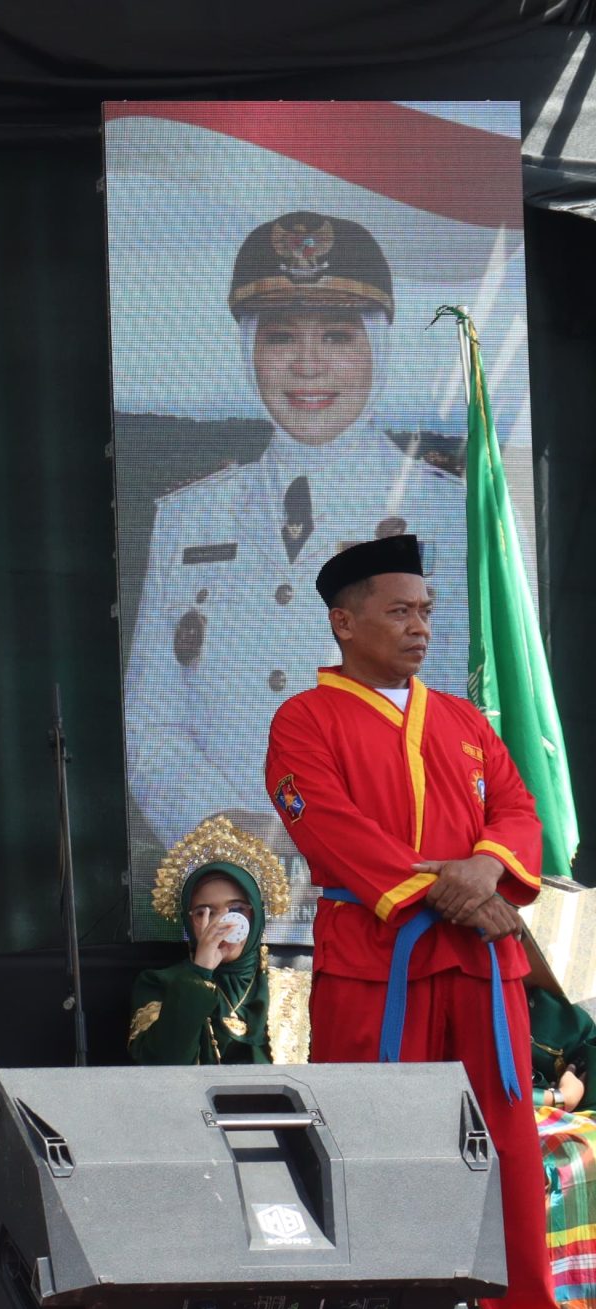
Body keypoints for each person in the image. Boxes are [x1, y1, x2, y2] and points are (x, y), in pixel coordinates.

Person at [263, 533, 595, 1309]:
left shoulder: (463, 719)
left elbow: (518, 811)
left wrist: (484, 871)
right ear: (344, 622)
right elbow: (329, 826)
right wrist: (446, 888)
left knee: (509, 1140)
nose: (420, 627)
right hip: (377, 960)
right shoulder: (304, 720)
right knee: (370, 1136)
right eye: (400, 612)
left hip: (482, 963)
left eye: (426, 611)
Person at [129, 210, 469, 857]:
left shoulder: (447, 515)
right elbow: (151, 726)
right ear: (248, 351)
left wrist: (341, 837)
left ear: (379, 347)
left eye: (338, 336)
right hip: (229, 876)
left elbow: (463, 721)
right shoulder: (189, 518)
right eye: (281, 337)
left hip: (390, 868)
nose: (308, 366)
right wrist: (229, 831)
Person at [128, 816, 289, 1066]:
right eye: (205, 912)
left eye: (236, 910)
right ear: (188, 920)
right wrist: (199, 974)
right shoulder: (159, 984)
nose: (222, 924)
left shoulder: (295, 989)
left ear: (256, 915)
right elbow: (160, 1067)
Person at [526, 987, 596, 1309]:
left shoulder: (560, 1010)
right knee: (567, 1160)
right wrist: (557, 1097)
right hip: (502, 1119)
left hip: (563, 1114)